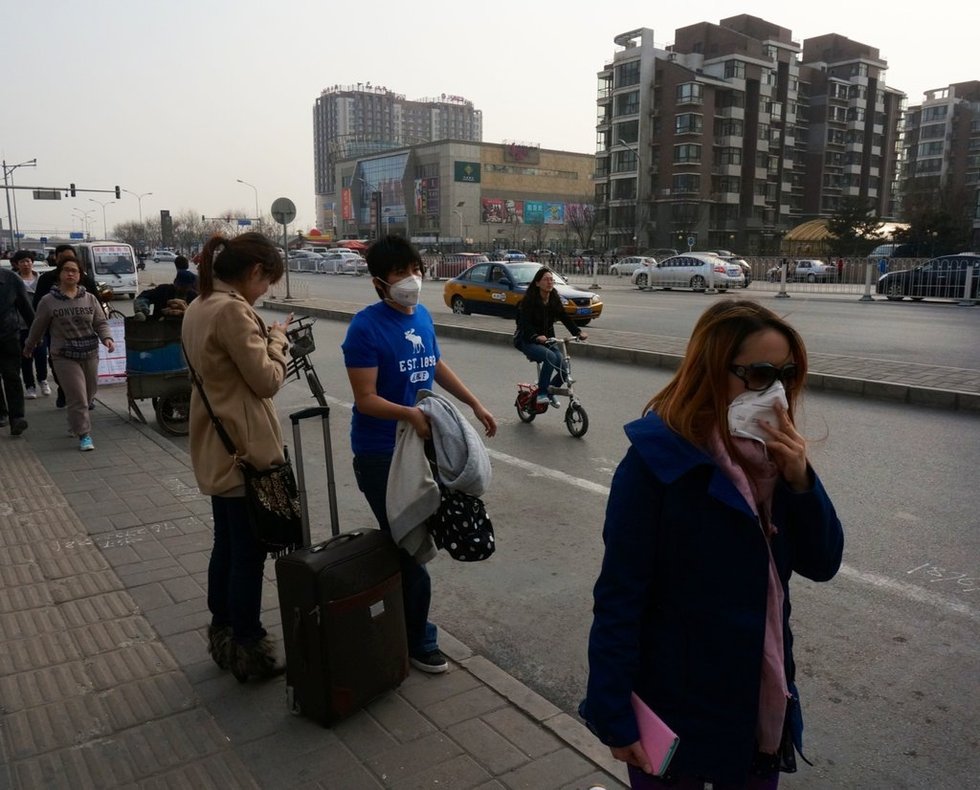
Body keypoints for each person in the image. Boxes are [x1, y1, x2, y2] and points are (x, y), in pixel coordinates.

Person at [580, 300, 844, 789]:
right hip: (675, 707)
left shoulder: (777, 462)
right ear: (712, 370)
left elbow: (823, 562)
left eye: (787, 375)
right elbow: (620, 594)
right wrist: (611, 711)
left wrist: (802, 481)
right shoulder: (655, 464)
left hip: (756, 706)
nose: (778, 393)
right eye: (760, 374)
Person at [342, 235, 497, 674]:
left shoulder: (422, 314)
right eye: (399, 273)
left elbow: (434, 363)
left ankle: (397, 626)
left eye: (416, 269)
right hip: (380, 455)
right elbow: (366, 399)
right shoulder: (365, 329)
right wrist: (410, 414)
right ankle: (417, 640)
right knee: (410, 548)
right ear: (378, 282)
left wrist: (474, 403)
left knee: (418, 544)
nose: (412, 279)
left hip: (421, 448)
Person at [181, 232, 291, 682]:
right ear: (254, 272)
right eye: (267, 282)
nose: (265, 291)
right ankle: (248, 642)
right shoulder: (231, 310)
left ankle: (224, 631)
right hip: (243, 451)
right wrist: (279, 343)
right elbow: (266, 381)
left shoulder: (198, 304)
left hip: (215, 445)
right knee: (247, 554)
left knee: (226, 546)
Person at [23, 258, 113, 450]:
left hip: (89, 352)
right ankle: (84, 435)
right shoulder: (48, 301)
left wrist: (107, 339)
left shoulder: (90, 298)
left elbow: (100, 322)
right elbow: (38, 326)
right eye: (67, 270)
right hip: (64, 355)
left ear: (79, 276)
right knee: (77, 396)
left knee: (89, 394)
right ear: (60, 274)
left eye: (75, 271)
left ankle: (75, 421)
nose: (70, 274)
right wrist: (29, 346)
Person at [513, 267, 587, 409]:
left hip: (548, 339)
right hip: (526, 340)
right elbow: (524, 324)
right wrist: (535, 337)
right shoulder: (528, 301)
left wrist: (578, 332)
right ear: (537, 283)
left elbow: (564, 316)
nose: (550, 282)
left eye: (551, 279)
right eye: (546, 279)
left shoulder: (553, 297)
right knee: (550, 357)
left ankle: (549, 391)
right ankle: (542, 393)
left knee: (564, 369)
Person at [0, 260, 35, 435]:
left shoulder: (11, 279)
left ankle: (17, 418)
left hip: (8, 338)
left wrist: (35, 335)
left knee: (12, 376)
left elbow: (26, 308)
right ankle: (1, 412)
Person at [10, 251, 50, 398]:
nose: (26, 264)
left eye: (28, 261)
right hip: (20, 326)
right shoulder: (13, 281)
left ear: (32, 262)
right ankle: (30, 386)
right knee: (25, 358)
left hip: (40, 324)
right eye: (22, 262)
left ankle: (43, 380)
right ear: (16, 264)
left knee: (41, 355)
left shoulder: (41, 280)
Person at [133, 269, 198, 320]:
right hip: (160, 327)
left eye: (186, 287)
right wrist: (142, 311)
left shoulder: (194, 297)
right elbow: (143, 297)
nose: (183, 289)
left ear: (191, 286)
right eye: (181, 285)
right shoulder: (163, 290)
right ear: (175, 282)